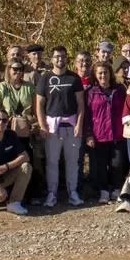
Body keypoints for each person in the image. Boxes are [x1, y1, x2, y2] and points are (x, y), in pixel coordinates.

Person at [35, 46, 85, 207]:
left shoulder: (74, 78)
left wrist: (79, 124)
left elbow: (81, 104)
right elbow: (39, 104)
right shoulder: (45, 78)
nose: (60, 59)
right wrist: (42, 125)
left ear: (66, 58)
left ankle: (73, 192)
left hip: (71, 125)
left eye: (63, 56)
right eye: (57, 56)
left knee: (72, 162)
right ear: (52, 59)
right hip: (52, 127)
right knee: (52, 162)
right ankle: (52, 193)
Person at [0, 60, 42, 203]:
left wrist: (37, 124)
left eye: (21, 69)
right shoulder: (1, 87)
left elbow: (36, 109)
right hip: (7, 131)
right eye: (15, 69)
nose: (18, 72)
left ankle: (28, 195)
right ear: (8, 69)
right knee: (8, 161)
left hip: (25, 131)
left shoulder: (29, 87)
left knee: (28, 160)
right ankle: (6, 195)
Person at [84, 62, 127, 203]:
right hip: (99, 134)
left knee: (117, 164)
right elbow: (87, 116)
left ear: (110, 73)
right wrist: (88, 134)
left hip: (118, 133)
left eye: (106, 72)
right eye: (100, 73)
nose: (103, 75)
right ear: (95, 75)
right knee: (101, 166)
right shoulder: (90, 92)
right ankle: (103, 191)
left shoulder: (119, 90)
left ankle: (116, 189)